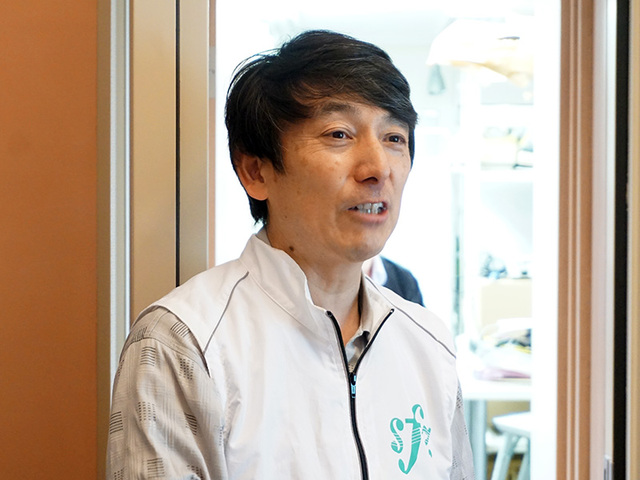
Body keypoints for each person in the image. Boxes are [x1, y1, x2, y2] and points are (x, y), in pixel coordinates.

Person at [106, 30, 474, 479]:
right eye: (339, 134)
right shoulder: (184, 343)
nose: (378, 168)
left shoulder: (428, 343)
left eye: (394, 138)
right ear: (256, 171)